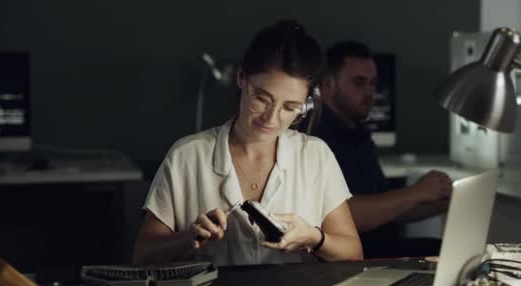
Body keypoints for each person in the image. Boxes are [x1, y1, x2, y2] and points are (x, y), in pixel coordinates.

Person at [133, 21, 363, 266]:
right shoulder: (187, 155)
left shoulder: (316, 155)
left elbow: (353, 253)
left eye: (290, 107)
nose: (271, 118)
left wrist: (314, 238)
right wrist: (189, 238)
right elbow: (143, 254)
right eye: (262, 99)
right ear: (242, 78)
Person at [305, 41, 452, 258]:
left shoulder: (359, 133)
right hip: (354, 258)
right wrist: (417, 192)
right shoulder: (315, 139)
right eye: (359, 82)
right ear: (327, 84)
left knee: (450, 251)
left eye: (373, 83)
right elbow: (344, 215)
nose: (370, 92)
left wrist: (445, 202)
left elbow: (387, 209)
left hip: (383, 246)